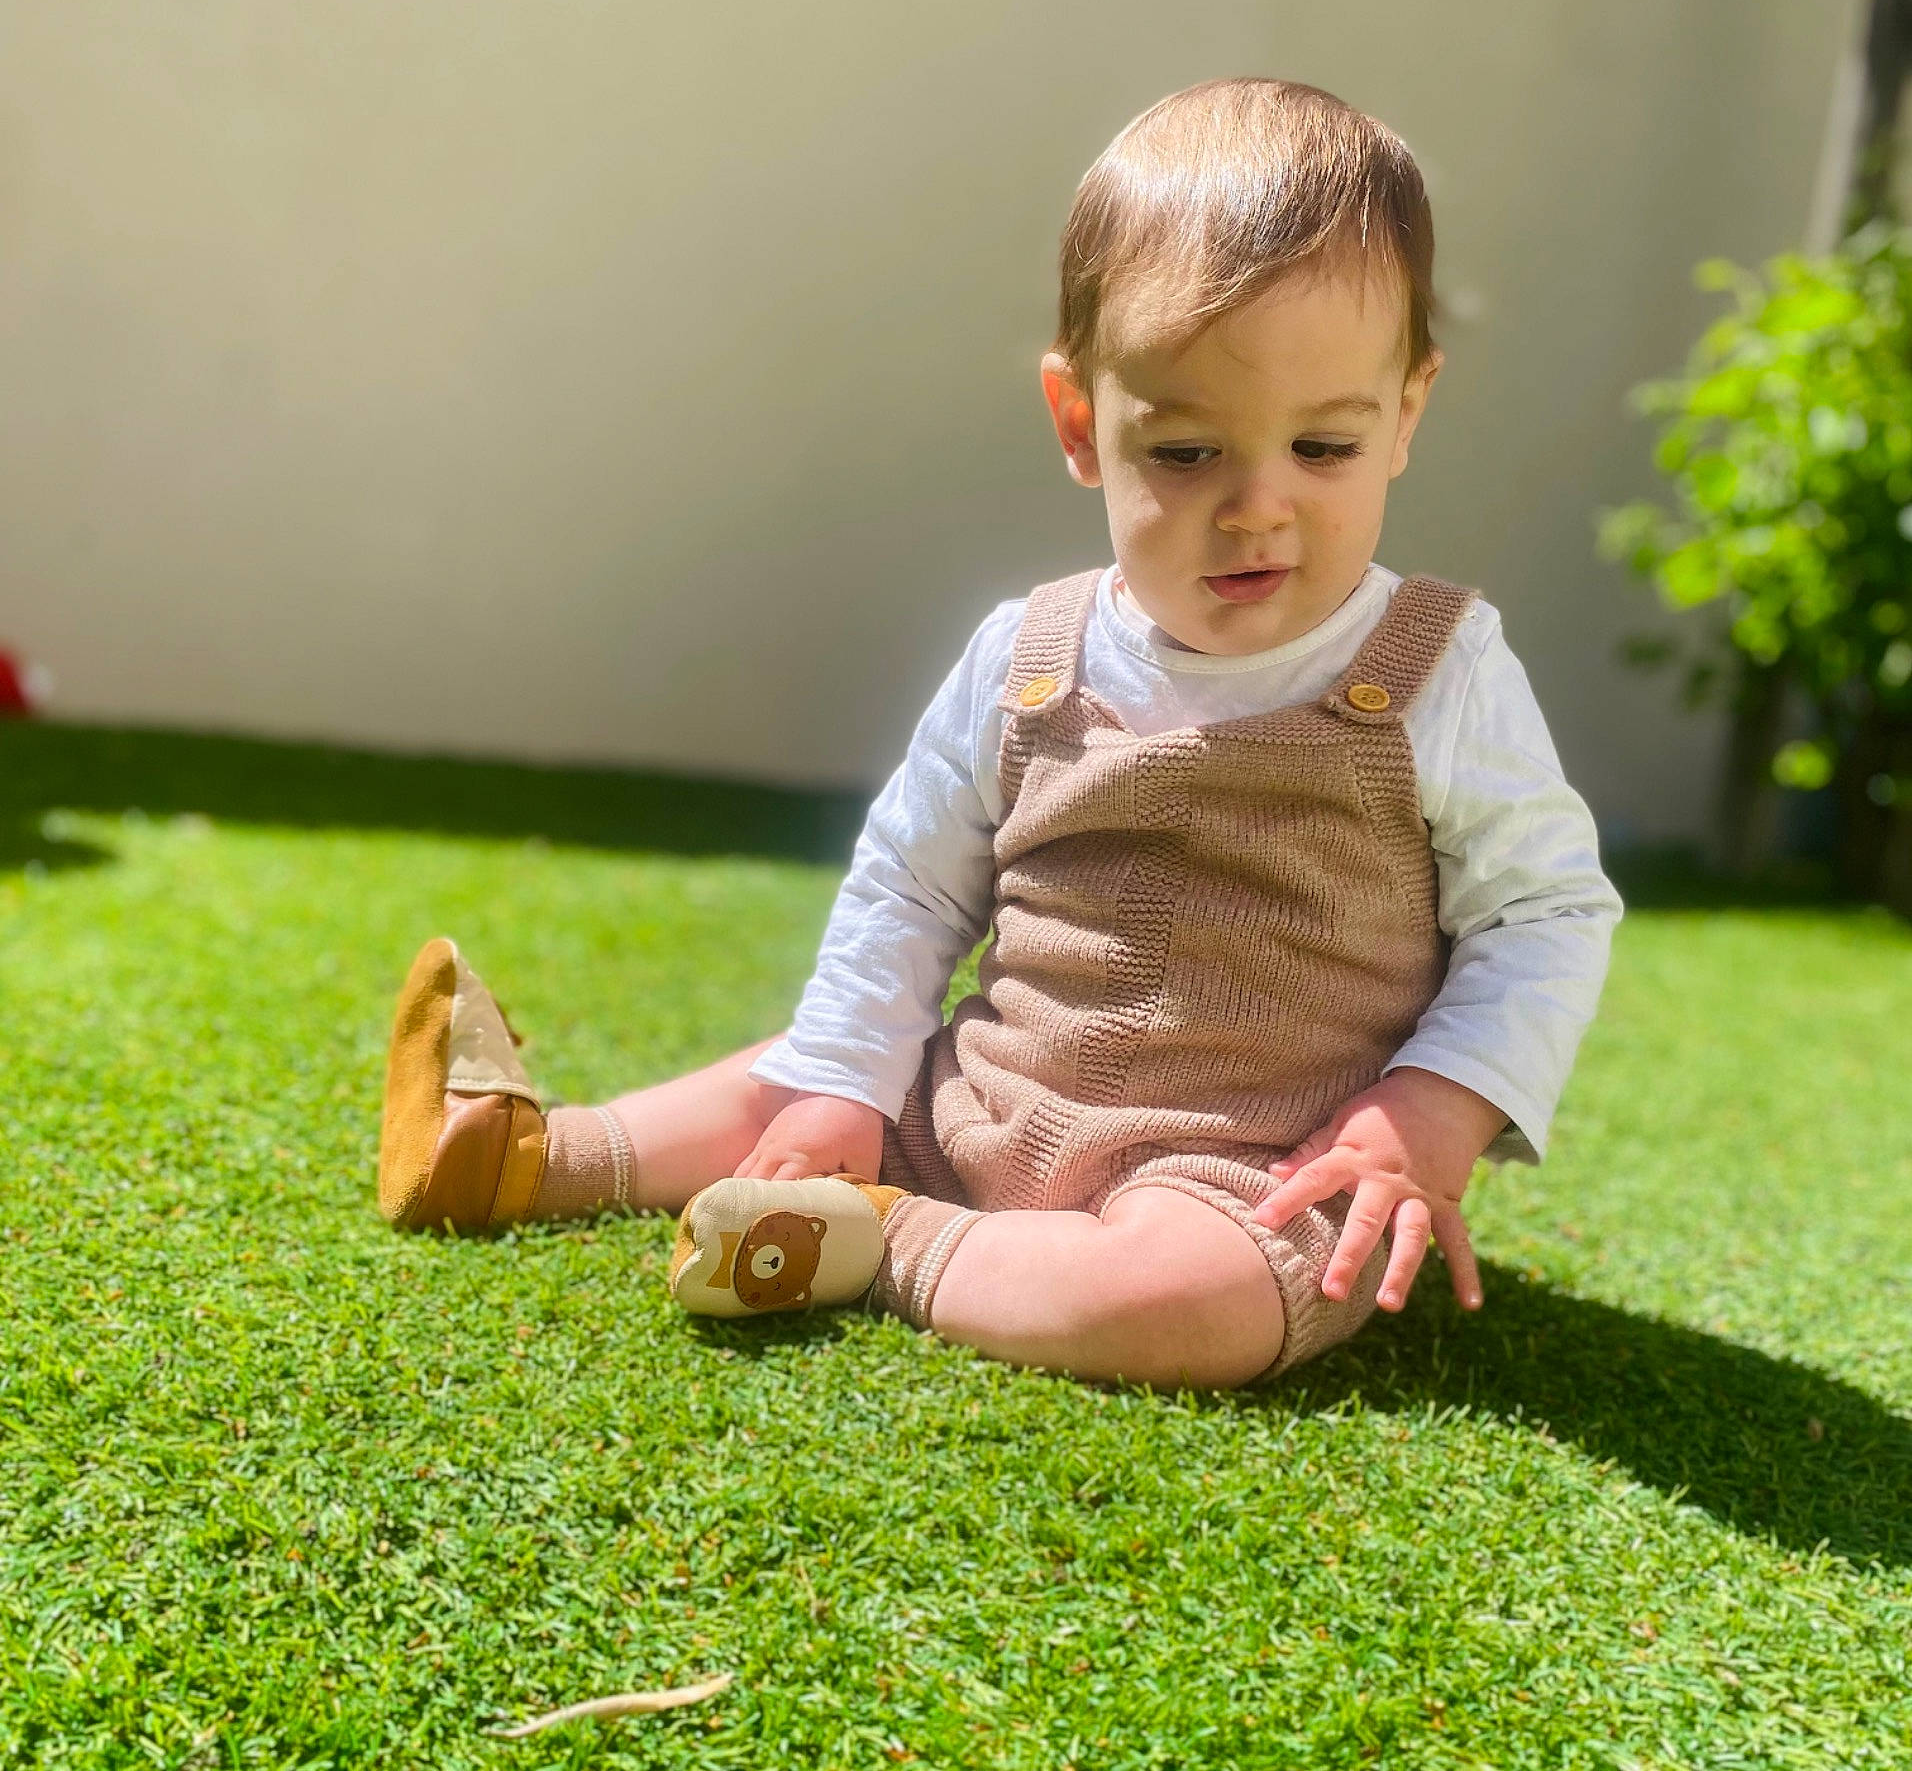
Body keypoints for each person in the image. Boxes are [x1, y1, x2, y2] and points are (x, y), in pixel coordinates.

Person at [377, 78, 1621, 1390]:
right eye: (1188, 455)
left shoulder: (1433, 669)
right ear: (1083, 425)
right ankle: (524, 1153)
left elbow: (1543, 915)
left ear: (1406, 416)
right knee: (805, 1075)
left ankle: (882, 1241)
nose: (1261, 509)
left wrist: (1424, 1120)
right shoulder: (1028, 659)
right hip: (986, 1094)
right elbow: (910, 885)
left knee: (1187, 1306)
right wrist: (848, 1087)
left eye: (1322, 446)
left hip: (1247, 1169)